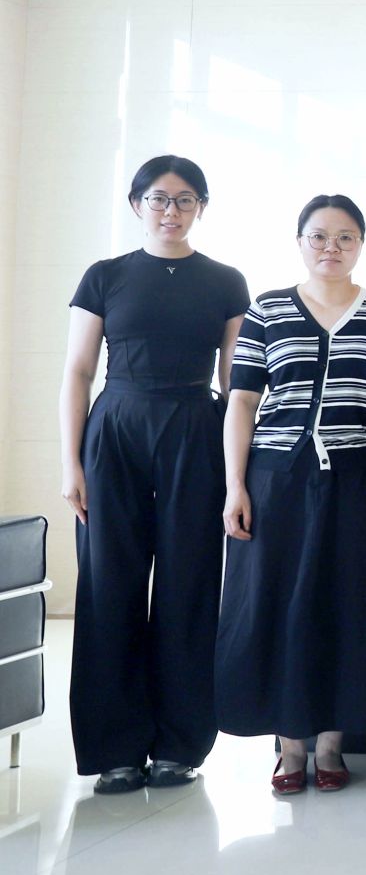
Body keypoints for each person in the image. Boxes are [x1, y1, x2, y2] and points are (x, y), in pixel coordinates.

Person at [59, 155, 249, 793]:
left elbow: (235, 382)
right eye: (160, 198)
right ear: (138, 204)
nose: (172, 210)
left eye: (186, 199)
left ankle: (179, 745)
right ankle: (114, 749)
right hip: (115, 432)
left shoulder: (225, 281)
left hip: (195, 430)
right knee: (108, 585)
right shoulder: (105, 276)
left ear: (201, 208)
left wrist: (239, 470)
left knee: (188, 587)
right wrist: (70, 461)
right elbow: (78, 372)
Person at [218, 195, 366, 794]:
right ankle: (289, 746)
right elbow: (242, 401)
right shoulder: (269, 308)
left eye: (345, 237)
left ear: (361, 245)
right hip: (276, 479)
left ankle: (331, 743)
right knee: (278, 605)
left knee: (347, 605)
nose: (332, 247)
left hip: (361, 478)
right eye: (319, 236)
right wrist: (235, 484)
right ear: (299, 242)